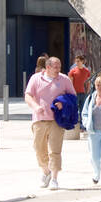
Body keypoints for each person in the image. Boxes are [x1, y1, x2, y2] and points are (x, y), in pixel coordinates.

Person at [24, 55, 75, 191]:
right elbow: (28, 96)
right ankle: (46, 171)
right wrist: (36, 107)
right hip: (39, 119)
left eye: (59, 67)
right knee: (39, 149)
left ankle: (54, 178)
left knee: (55, 151)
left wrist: (63, 103)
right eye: (55, 67)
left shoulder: (64, 79)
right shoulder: (36, 79)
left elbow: (73, 97)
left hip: (56, 121)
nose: (58, 69)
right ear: (47, 67)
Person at [68, 54, 91, 121]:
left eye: (78, 61)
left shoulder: (86, 71)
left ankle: (82, 124)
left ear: (82, 61)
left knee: (83, 109)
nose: (76, 63)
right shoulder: (73, 71)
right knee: (74, 109)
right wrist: (72, 91)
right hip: (75, 93)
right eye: (76, 61)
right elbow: (70, 82)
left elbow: (88, 82)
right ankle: (75, 123)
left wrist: (88, 90)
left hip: (83, 93)